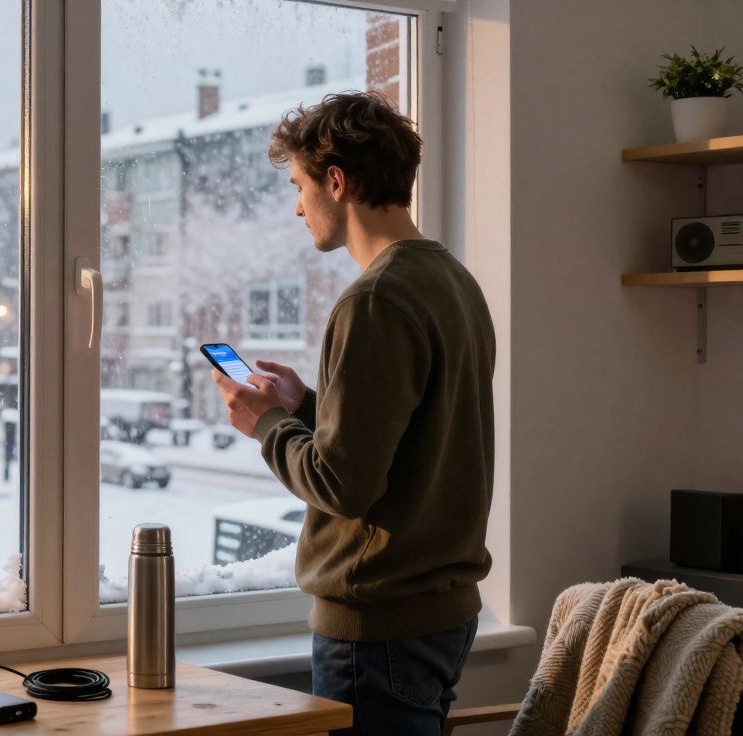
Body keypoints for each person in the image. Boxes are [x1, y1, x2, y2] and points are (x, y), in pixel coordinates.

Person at [210, 91, 495, 735]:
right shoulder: (454, 281)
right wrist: (307, 406)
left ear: (336, 182)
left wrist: (265, 424)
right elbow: (413, 437)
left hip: (379, 627)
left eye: (299, 185)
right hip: (442, 614)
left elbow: (344, 484)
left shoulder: (373, 301)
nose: (296, 205)